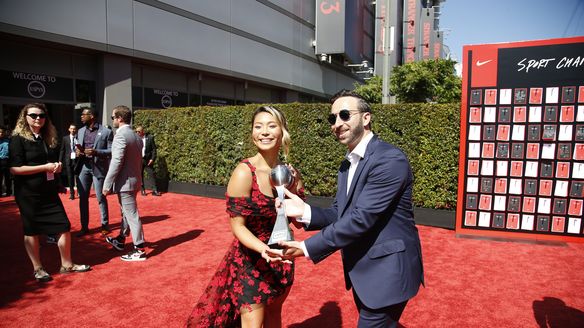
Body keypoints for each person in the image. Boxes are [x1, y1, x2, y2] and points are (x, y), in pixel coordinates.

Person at [269, 90, 424, 328]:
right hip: (365, 271)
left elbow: (361, 219)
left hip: (388, 272)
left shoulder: (389, 160)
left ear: (366, 118)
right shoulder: (347, 164)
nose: (337, 124)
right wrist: (304, 210)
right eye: (333, 118)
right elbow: (339, 214)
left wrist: (306, 247)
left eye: (344, 115)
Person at [187, 106, 304, 327]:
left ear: (282, 132)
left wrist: (296, 188)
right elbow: (237, 227)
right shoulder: (244, 172)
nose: (264, 132)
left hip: (282, 258)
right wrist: (263, 249)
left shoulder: (289, 173)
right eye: (258, 127)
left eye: (271, 126)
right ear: (252, 134)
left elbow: (298, 221)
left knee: (273, 318)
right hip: (251, 260)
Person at [9, 103, 90, 282]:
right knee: (32, 230)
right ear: (25, 117)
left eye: (42, 116)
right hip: (28, 193)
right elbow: (15, 169)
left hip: (48, 191)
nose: (38, 118)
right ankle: (38, 269)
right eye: (34, 115)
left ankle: (67, 264)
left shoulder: (47, 138)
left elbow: (51, 162)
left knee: (63, 226)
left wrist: (57, 169)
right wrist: (44, 167)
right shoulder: (17, 139)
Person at [103, 105, 147, 261]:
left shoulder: (121, 135)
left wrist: (107, 184)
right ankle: (121, 240)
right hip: (134, 181)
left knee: (132, 214)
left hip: (125, 183)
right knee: (127, 213)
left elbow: (116, 161)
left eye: (113, 117)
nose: (112, 120)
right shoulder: (136, 136)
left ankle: (139, 249)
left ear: (120, 118)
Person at [76, 105, 113, 236]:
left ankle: (105, 225)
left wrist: (96, 152)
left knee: (100, 197)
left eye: (83, 114)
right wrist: (78, 152)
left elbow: (111, 150)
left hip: (98, 167)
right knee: (83, 198)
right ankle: (84, 227)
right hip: (84, 167)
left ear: (91, 116)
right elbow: (78, 147)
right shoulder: (80, 131)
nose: (81, 116)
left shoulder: (106, 132)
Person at [134, 125, 161, 196]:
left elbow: (154, 150)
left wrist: (152, 158)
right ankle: (142, 190)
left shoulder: (150, 138)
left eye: (139, 131)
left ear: (143, 131)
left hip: (148, 160)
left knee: (151, 175)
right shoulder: (135, 139)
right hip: (139, 159)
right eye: (136, 131)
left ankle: (154, 191)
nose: (137, 133)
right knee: (140, 175)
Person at [59, 123, 78, 200]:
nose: (73, 130)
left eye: (74, 129)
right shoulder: (65, 138)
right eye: (71, 129)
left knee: (77, 176)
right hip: (68, 160)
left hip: (77, 160)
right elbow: (62, 150)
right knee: (70, 177)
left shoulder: (78, 138)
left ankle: (79, 191)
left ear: (76, 130)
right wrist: (60, 160)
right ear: (69, 129)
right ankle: (72, 194)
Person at [0, 126, 12, 197]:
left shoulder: (8, 140)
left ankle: (9, 192)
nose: (1, 133)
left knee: (8, 178)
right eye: (0, 132)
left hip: (7, 161)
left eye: (2, 132)